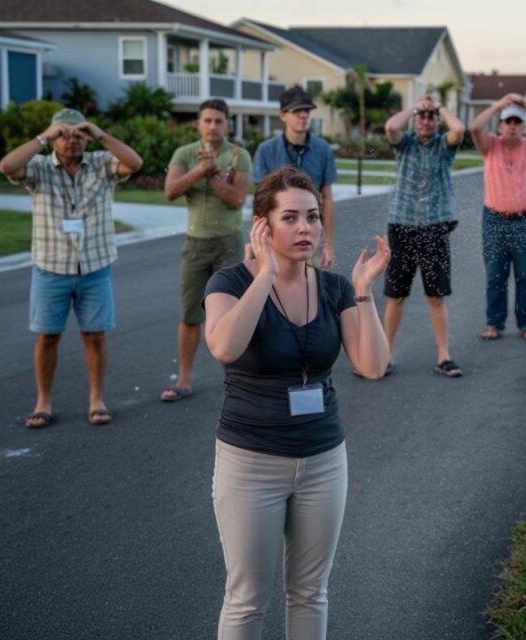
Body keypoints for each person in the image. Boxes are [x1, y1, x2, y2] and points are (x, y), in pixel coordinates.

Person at [203, 166, 390, 638]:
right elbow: (225, 347)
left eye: (313, 216)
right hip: (251, 461)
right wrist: (265, 273)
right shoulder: (227, 283)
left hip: (324, 459)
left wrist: (365, 291)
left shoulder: (334, 288)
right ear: (262, 225)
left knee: (311, 591)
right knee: (246, 599)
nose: (305, 228)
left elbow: (372, 365)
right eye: (290, 218)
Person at [0, 108, 142, 428]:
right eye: (64, 134)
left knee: (95, 336)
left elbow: (135, 163)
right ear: (53, 138)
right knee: (47, 337)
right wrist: (44, 137)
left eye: (79, 134)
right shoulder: (37, 167)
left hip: (94, 267)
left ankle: (96, 399)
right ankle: (43, 400)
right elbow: (7, 166)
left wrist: (101, 135)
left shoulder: (103, 164)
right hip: (51, 268)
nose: (72, 140)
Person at [159, 99, 252, 402]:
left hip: (229, 241)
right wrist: (201, 169)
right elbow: (171, 191)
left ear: (228, 124)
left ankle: (242, 380)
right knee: (189, 314)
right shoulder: (184, 154)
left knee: (235, 313)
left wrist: (211, 174)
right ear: (198, 124)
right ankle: (183, 379)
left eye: (219, 121)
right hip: (195, 243)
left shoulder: (238, 155)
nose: (213, 126)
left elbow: (238, 199)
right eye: (207, 121)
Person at [380, 94, 466, 377]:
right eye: (422, 116)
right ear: (415, 120)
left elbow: (459, 131)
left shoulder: (444, 146)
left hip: (435, 227)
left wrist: (438, 106)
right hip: (402, 226)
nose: (427, 121)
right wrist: (416, 107)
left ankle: (444, 355)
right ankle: (384, 354)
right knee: (396, 296)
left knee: (436, 297)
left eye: (431, 117)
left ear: (437, 121)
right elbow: (390, 127)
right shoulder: (405, 143)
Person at [470, 92, 526, 341]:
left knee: (525, 274)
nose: (513, 127)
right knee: (496, 273)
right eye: (508, 122)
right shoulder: (490, 145)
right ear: (501, 125)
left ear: (523, 126)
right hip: (494, 218)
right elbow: (475, 128)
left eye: (517, 122)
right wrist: (496, 103)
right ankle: (494, 323)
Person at [252, 87, 338, 268]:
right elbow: (259, 201)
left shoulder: (323, 150)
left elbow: (327, 198)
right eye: (297, 111)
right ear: (282, 115)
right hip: (276, 236)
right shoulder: (266, 150)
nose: (303, 115)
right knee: (273, 289)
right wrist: (259, 240)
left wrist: (328, 244)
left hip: (310, 234)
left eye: (307, 110)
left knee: (313, 289)